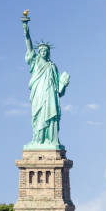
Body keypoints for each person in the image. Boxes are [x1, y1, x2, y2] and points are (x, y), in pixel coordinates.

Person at [23, 20, 70, 148]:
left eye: (45, 50)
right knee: (38, 116)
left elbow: (58, 90)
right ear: (38, 52)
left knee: (50, 116)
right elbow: (28, 44)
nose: (43, 52)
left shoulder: (52, 66)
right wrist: (26, 29)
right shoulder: (35, 61)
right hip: (38, 93)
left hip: (50, 94)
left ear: (48, 52)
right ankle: (37, 140)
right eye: (41, 50)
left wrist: (63, 84)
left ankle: (51, 140)